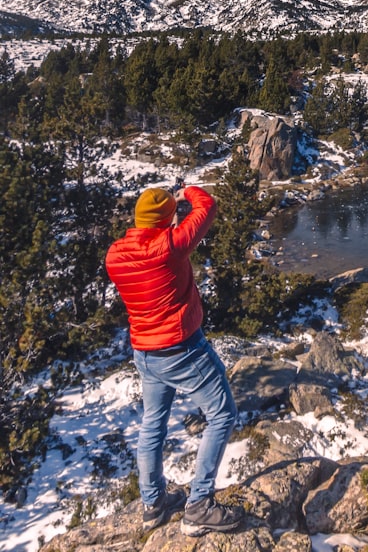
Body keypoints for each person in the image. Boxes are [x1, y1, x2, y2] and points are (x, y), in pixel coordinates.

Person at [105, 184, 242, 536]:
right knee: (223, 413)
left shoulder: (115, 255)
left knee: (153, 425)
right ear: (167, 220)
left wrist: (168, 212)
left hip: (145, 353)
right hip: (180, 348)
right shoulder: (169, 246)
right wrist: (187, 194)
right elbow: (207, 206)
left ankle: (153, 504)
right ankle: (198, 505)